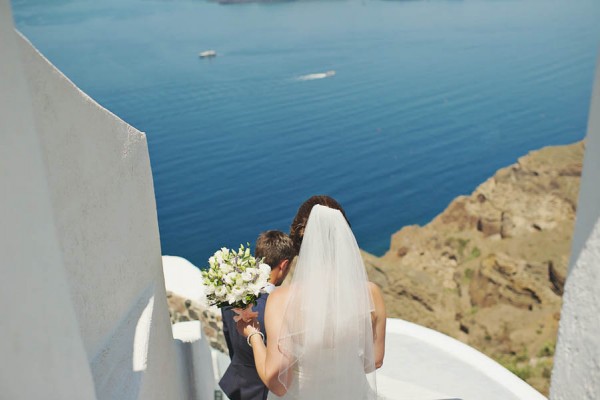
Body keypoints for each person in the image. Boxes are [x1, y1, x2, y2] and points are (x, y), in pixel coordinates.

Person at [238, 196, 387, 399]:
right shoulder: (371, 293)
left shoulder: (281, 300)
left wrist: (253, 336)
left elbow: (278, 384)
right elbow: (375, 361)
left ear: (298, 241)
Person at [219, 230, 295, 400]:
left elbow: (230, 339)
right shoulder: (276, 308)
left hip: (237, 386)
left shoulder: (230, 295)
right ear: (283, 265)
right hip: (265, 392)